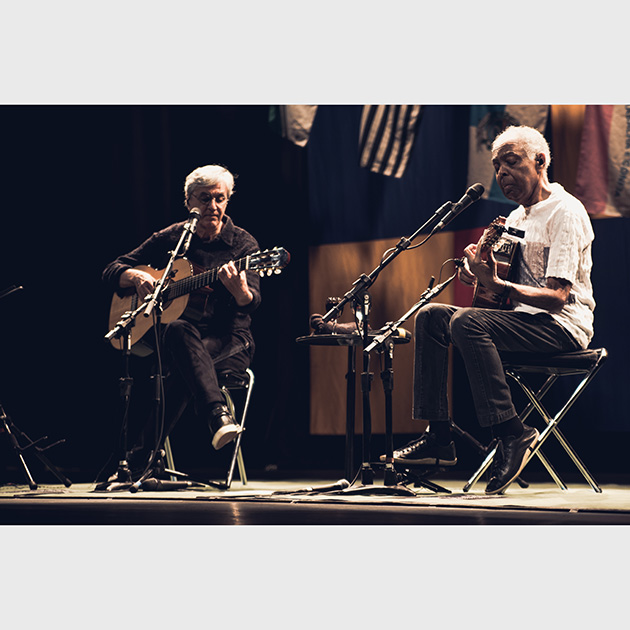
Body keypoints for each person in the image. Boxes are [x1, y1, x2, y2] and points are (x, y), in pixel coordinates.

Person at [387, 125, 595, 494]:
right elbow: (496, 295)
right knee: (431, 316)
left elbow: (557, 297)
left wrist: (497, 284)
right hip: (522, 321)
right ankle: (439, 436)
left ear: (540, 161)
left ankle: (512, 432)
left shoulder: (565, 211)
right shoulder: (514, 219)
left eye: (511, 163)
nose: (502, 173)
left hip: (562, 327)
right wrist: (478, 275)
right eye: (497, 166)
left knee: (467, 322)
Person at [103, 164, 261, 475]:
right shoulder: (174, 237)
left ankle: (140, 459)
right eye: (204, 198)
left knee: (180, 367)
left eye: (219, 198)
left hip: (231, 340)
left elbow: (251, 302)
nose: (212, 206)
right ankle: (217, 417)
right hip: (181, 340)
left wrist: (241, 290)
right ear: (188, 201)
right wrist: (135, 277)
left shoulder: (243, 245)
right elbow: (112, 269)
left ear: (228, 200)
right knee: (177, 330)